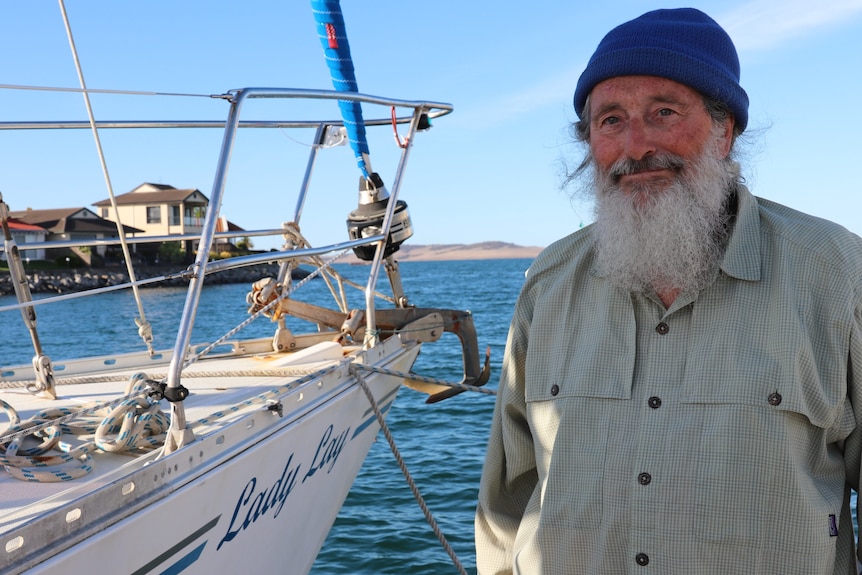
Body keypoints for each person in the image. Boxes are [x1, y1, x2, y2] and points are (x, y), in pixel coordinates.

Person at [474, 7, 862, 575]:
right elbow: (507, 503)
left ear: (724, 130)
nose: (635, 146)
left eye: (663, 112)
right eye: (610, 120)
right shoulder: (549, 283)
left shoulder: (835, 272)